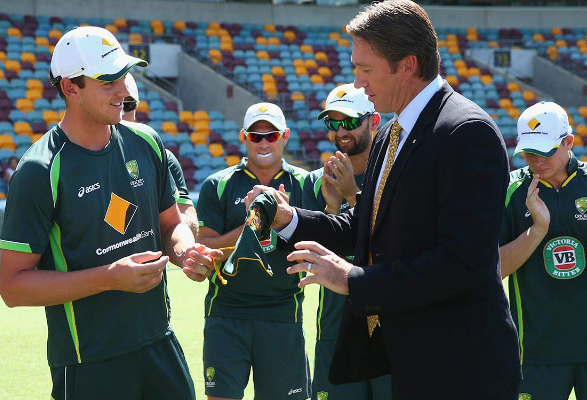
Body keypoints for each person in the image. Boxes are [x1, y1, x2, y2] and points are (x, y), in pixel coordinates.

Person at [245, 1, 521, 398]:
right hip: (411, 359)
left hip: (462, 368)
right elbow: (366, 225)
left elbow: (464, 263)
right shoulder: (392, 134)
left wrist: (353, 280)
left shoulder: (467, 133)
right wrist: (288, 219)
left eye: (365, 69)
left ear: (407, 65)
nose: (358, 83)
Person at [0, 26, 221, 400]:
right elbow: (13, 286)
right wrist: (110, 277)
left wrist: (185, 252)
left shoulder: (146, 141)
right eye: (107, 80)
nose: (123, 90)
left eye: (122, 75)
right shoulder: (40, 169)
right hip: (88, 361)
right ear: (70, 87)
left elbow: (171, 224)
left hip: (159, 342)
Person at [196, 102, 310, 400]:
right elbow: (204, 248)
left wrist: (280, 219)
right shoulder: (217, 184)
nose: (263, 142)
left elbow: (316, 242)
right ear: (243, 137)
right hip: (227, 312)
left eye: (271, 136)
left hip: (283, 312)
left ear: (285, 136)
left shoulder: (304, 183)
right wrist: (254, 223)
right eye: (255, 136)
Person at [302, 83, 391, 400]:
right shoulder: (314, 181)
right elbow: (310, 260)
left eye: (350, 121)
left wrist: (352, 197)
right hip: (335, 330)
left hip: (389, 328)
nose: (341, 131)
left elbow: (389, 248)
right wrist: (329, 208)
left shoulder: (395, 177)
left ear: (374, 121)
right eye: (333, 122)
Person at [500, 101, 587, 400]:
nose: (536, 161)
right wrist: (537, 230)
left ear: (568, 142)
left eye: (545, 152)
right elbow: (493, 268)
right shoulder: (510, 191)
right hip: (536, 352)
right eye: (529, 152)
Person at [121, 73, 198, 235]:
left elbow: (189, 222)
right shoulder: (80, 159)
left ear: (137, 108)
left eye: (126, 105)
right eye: (114, 104)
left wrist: (162, 214)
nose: (120, 112)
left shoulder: (162, 157)